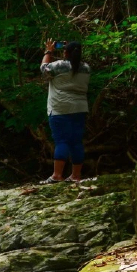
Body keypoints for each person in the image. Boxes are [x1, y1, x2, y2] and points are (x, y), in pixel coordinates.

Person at [40, 40, 90, 183]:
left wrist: (48, 51)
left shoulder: (59, 66)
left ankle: (57, 175)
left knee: (61, 141)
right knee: (76, 142)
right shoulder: (86, 67)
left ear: (65, 52)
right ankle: (75, 176)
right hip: (80, 108)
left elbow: (44, 68)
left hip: (60, 108)